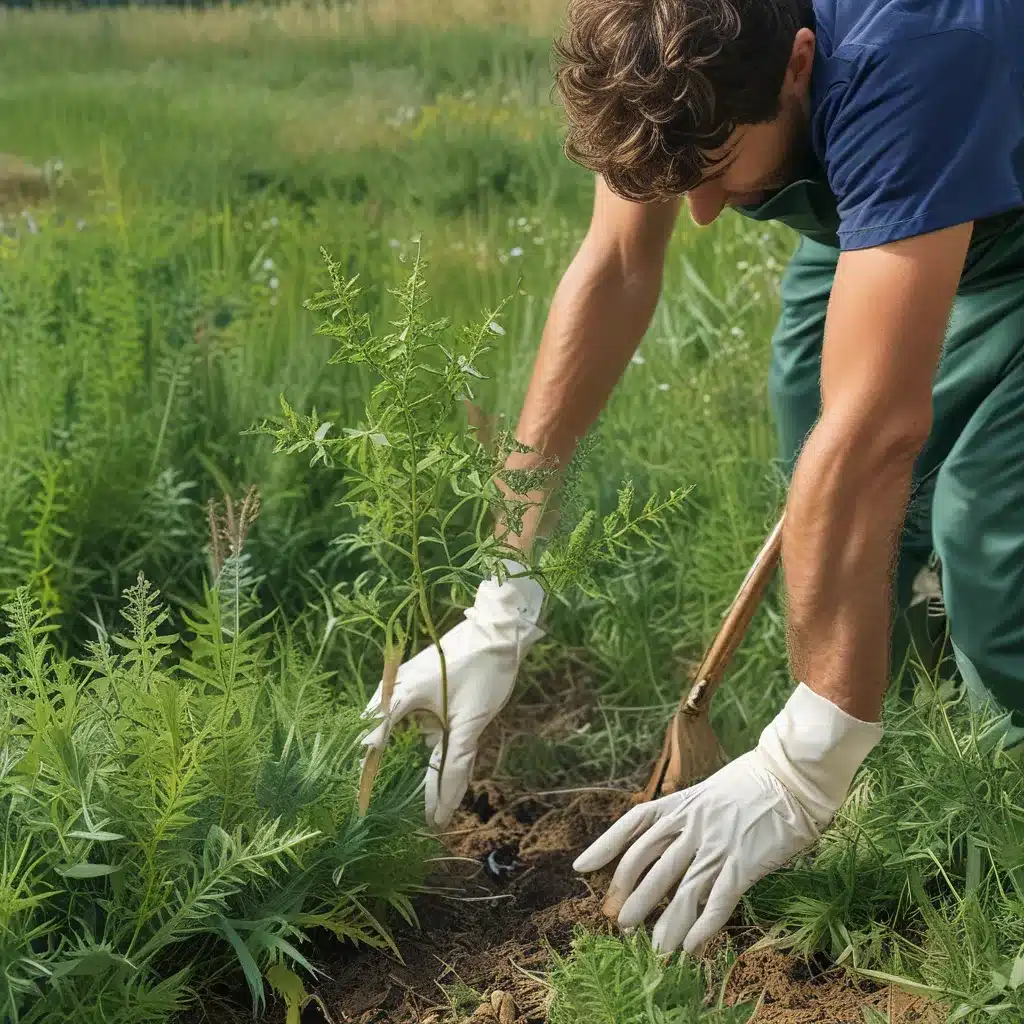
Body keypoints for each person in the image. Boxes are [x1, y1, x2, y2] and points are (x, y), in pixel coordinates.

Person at [361, 0, 1024, 958]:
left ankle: (998, 825)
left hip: (993, 178)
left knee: (986, 535)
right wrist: (499, 593)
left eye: (712, 174)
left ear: (800, 63)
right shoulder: (669, 48)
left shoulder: (913, 55)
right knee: (812, 420)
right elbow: (615, 268)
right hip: (891, 179)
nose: (702, 211)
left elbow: (879, 430)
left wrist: (803, 761)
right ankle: (903, 750)